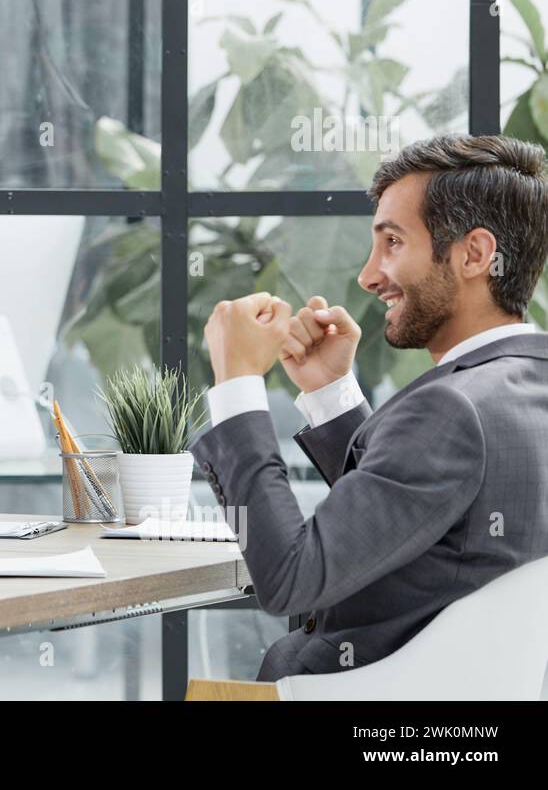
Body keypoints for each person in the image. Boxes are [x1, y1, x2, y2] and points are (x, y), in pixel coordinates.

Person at [193, 133, 548, 681]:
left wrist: (237, 383)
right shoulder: (522, 389)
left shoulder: (451, 411)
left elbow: (291, 579)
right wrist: (328, 390)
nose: (368, 274)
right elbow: (429, 519)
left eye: (394, 243)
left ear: (475, 254)